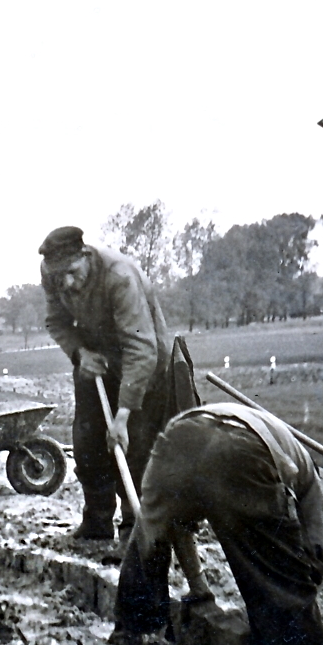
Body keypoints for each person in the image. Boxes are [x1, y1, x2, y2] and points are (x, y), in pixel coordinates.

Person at [113, 403, 323, 645]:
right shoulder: (308, 478)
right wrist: (299, 584)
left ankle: (134, 634)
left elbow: (176, 525)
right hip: (239, 450)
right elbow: (316, 550)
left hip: (176, 441)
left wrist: (199, 588)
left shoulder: (284, 443)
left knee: (149, 538)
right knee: (278, 581)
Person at [39, 226, 197, 542]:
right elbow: (56, 322)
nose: (66, 283)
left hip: (143, 363)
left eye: (72, 273)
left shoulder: (119, 276)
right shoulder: (51, 271)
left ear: (84, 256)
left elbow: (141, 347)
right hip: (94, 359)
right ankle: (97, 521)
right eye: (59, 278)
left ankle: (133, 528)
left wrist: (123, 415)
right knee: (87, 441)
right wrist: (79, 353)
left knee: (135, 446)